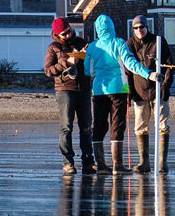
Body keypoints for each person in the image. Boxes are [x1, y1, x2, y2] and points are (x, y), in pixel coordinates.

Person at [84, 14, 163, 175]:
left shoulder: (92, 47)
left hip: (98, 90)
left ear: (97, 30)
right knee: (117, 125)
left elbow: (88, 71)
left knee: (98, 126)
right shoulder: (119, 43)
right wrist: (149, 74)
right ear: (112, 27)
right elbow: (131, 64)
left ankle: (101, 165)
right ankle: (117, 165)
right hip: (119, 89)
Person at [44, 17, 95, 175]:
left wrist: (86, 55)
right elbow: (48, 71)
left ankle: (88, 161)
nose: (67, 35)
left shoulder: (81, 42)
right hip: (65, 89)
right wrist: (67, 62)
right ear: (57, 35)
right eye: (63, 34)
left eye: (68, 31)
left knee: (86, 126)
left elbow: (91, 64)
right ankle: (68, 162)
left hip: (84, 88)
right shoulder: (53, 48)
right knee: (66, 126)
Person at [126, 15, 174, 174]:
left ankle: (162, 162)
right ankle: (144, 162)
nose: (139, 30)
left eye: (142, 27)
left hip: (159, 91)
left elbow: (169, 66)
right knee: (140, 126)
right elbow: (127, 71)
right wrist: (130, 92)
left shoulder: (159, 41)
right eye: (136, 28)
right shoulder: (130, 44)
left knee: (162, 124)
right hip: (139, 92)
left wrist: (165, 88)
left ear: (147, 27)